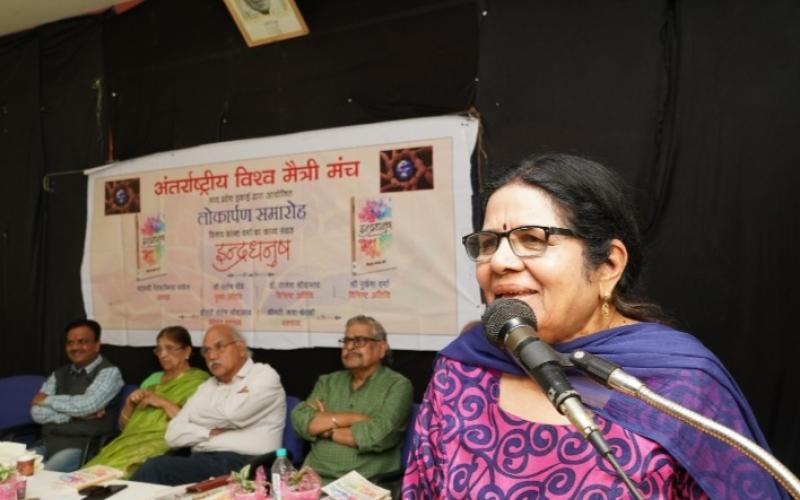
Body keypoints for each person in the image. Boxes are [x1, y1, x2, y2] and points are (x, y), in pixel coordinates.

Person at [401, 154, 785, 499]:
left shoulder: (679, 386)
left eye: (532, 238)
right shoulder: (464, 368)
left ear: (608, 265)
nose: (499, 262)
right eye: (488, 243)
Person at [130, 325, 286, 485]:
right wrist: (208, 432)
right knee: (154, 469)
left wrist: (196, 418)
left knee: (156, 469)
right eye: (206, 351)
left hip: (247, 464)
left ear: (240, 348)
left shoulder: (263, 375)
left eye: (219, 347)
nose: (211, 356)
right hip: (203, 460)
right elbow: (172, 435)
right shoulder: (207, 386)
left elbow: (233, 415)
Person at [291, 315, 413, 485]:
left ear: (381, 348)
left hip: (365, 485)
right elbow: (301, 421)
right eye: (346, 341)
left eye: (359, 341)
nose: (349, 347)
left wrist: (326, 429)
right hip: (312, 481)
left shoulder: (398, 386)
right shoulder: (328, 382)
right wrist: (353, 419)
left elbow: (378, 436)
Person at [82, 326, 209, 477]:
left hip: (162, 445)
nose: (162, 355)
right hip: (126, 444)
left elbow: (191, 424)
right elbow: (124, 428)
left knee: (114, 478)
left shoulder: (199, 381)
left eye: (169, 348)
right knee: (85, 477)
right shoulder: (152, 381)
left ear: (187, 351)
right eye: (159, 349)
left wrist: (161, 401)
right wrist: (130, 403)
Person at [30, 319, 124, 472]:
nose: (75, 347)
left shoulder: (109, 372)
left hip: (83, 446)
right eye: (70, 343)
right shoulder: (58, 374)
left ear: (97, 345)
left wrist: (47, 400)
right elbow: (36, 412)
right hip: (48, 442)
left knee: (41, 480)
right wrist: (73, 416)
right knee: (12, 473)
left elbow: (86, 406)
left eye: (82, 342)